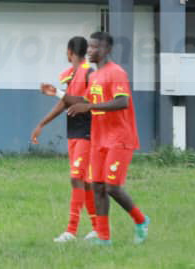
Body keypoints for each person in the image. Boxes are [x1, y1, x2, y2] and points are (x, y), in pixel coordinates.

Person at [64, 32, 149, 245]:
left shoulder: (116, 73)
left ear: (107, 50)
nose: (90, 50)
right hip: (99, 138)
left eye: (95, 47)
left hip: (119, 138)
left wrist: (89, 106)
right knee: (97, 187)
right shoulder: (93, 76)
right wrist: (57, 94)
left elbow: (122, 102)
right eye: (90, 47)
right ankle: (103, 237)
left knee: (112, 187)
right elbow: (87, 100)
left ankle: (141, 220)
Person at [32, 37, 97, 242]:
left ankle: (71, 230)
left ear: (70, 52)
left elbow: (87, 102)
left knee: (78, 178)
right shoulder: (72, 74)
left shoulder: (89, 72)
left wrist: (57, 93)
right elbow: (65, 102)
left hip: (87, 132)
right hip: (74, 133)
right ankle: (97, 227)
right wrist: (42, 123)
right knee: (84, 181)